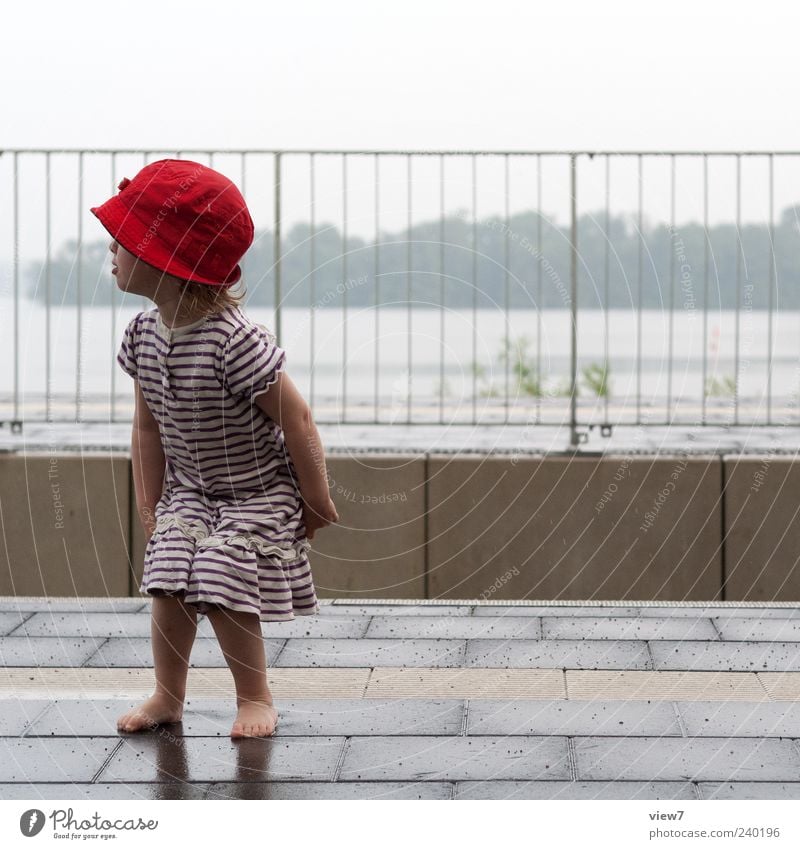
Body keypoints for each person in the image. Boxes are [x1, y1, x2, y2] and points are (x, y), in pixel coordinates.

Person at [90, 158, 339, 739]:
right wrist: (152, 505)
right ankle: (166, 694)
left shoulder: (236, 342)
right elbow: (147, 429)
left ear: (169, 262)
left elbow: (298, 419)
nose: (112, 249)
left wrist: (316, 499)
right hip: (194, 493)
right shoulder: (142, 337)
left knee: (223, 566)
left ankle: (255, 697)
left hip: (258, 492)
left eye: (123, 240)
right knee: (169, 566)